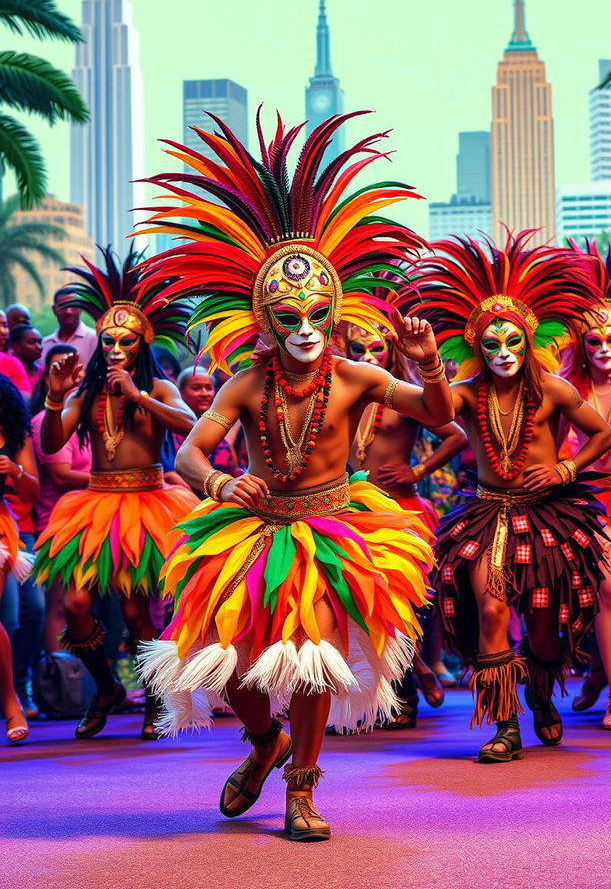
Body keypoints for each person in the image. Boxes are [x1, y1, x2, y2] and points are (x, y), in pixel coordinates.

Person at [136, 111, 453, 841]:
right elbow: (188, 454)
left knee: (313, 658)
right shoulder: (245, 385)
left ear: (334, 308)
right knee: (225, 666)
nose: (305, 328)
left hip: (336, 528)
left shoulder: (358, 375)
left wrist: (426, 360)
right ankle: (262, 743)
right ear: (264, 316)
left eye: (315, 312)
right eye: (288, 315)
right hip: (251, 529)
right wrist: (217, 484)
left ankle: (301, 790)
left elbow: (438, 414)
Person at [411, 231, 611, 762]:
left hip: (550, 518)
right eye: (491, 344)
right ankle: (505, 725)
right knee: (493, 610)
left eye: (513, 342)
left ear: (529, 340)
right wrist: (430, 364)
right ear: (476, 346)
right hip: (488, 515)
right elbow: (435, 412)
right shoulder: (465, 391)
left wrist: (567, 467)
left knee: (545, 630)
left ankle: (542, 694)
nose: (503, 353)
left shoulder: (553, 388)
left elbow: (602, 434)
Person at [32, 247, 198, 740]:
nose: (115, 349)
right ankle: (104, 687)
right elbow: (50, 443)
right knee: (78, 606)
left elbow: (191, 426)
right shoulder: (88, 392)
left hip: (148, 505)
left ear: (141, 343)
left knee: (134, 612)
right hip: (95, 505)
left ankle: (152, 698)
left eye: (125, 342)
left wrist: (139, 394)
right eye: (108, 342)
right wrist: (58, 396)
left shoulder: (160, 388)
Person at [342, 318, 468, 725]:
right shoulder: (341, 392)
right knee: (359, 606)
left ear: (391, 352)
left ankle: (407, 692)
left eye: (375, 350)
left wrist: (418, 470)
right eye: (359, 350)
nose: (367, 358)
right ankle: (408, 675)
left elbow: (456, 435)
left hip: (399, 511)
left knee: (401, 602)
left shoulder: (398, 394)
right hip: (351, 512)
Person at [564, 242, 611, 729]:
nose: (605, 349)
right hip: (595, 505)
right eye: (594, 341)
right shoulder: (570, 390)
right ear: (582, 345)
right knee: (610, 592)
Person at [31, 344, 91, 653]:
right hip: (59, 524)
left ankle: (95, 686)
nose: (71, 375)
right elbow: (61, 474)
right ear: (49, 379)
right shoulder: (46, 420)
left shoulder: (88, 415)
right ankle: (61, 683)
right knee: (61, 605)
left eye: (76, 369)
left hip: (93, 523)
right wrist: (120, 479)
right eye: (61, 369)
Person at [0, 373, 40, 742]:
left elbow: (32, 492)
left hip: (5, 528)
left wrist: (15, 470)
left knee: (17, 616)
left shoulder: (12, 433)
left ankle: (15, 695)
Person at [42, 287, 97, 367]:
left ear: (81, 308)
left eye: (73, 305)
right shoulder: (45, 344)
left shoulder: (95, 339)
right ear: (54, 310)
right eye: (63, 306)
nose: (68, 311)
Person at [10, 325, 43, 394]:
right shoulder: (7, 371)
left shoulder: (43, 373)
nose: (39, 347)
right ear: (16, 346)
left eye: (40, 342)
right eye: (32, 342)